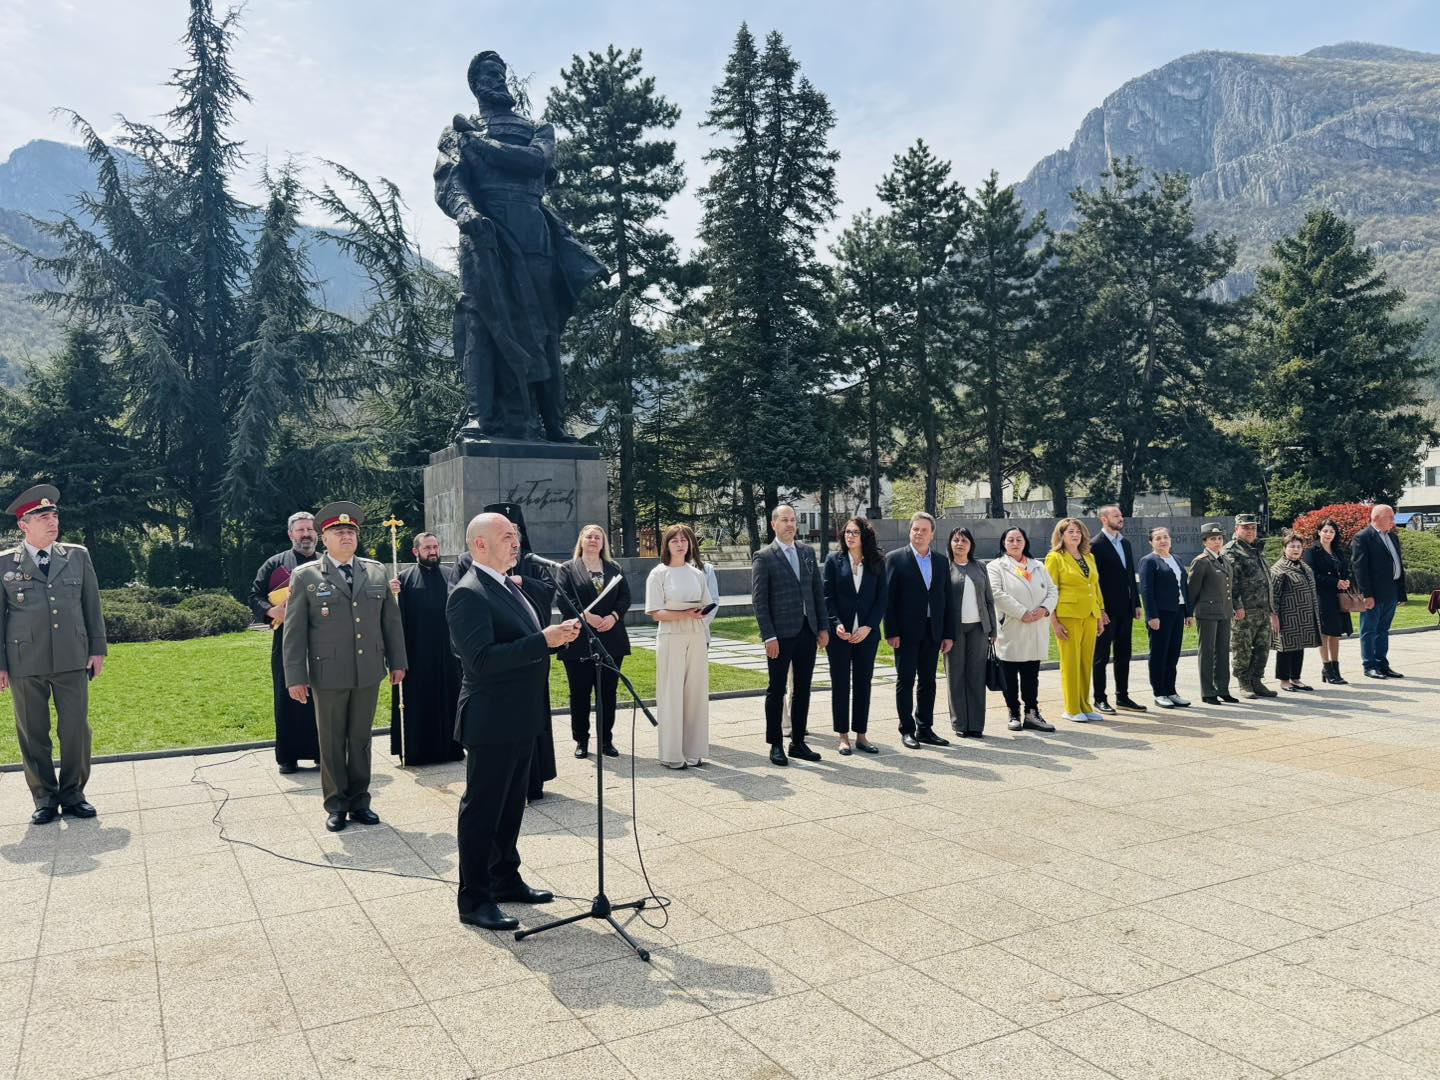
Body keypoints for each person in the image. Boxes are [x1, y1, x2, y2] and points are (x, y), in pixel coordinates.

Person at [447, 511, 579, 931]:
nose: (515, 542)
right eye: (506, 536)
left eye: (515, 535)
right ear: (480, 544)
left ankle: (504, 878)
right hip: (491, 718)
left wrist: (556, 640)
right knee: (483, 810)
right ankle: (474, 899)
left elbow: (521, 643)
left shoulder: (506, 585)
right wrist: (543, 640)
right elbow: (481, 661)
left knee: (510, 806)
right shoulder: (468, 593)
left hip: (522, 715)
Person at [283, 502, 408, 832]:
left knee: (361, 739)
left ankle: (360, 801)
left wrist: (398, 661)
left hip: (368, 670)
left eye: (351, 532)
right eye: (339, 532)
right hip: (328, 673)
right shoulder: (306, 576)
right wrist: (295, 677)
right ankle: (336, 803)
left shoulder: (375, 571)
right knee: (332, 741)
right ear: (324, 538)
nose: (346, 537)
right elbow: (294, 632)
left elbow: (390, 622)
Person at [0, 485, 107, 825]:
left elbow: (92, 606)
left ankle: (73, 794)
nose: (52, 521)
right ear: (24, 525)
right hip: (24, 661)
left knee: (76, 729)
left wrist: (97, 649)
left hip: (72, 657)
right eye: (43, 517)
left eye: (54, 515)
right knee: (33, 733)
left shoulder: (77, 556)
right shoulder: (4, 563)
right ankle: (45, 798)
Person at [752, 504, 829, 766]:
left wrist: (823, 627)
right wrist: (768, 636)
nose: (790, 524)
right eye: (784, 520)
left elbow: (817, 592)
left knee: (803, 689)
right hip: (780, 635)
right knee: (776, 690)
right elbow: (759, 601)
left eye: (793, 520)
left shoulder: (807, 552)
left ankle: (798, 742)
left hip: (807, 631)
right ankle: (775, 744)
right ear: (773, 524)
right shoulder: (764, 557)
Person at [248, 512, 322, 774]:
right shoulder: (275, 564)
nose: (306, 534)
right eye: (300, 530)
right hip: (286, 640)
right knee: (286, 695)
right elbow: (254, 596)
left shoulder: (327, 563)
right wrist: (272, 611)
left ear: (317, 533)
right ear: (291, 534)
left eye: (310, 529)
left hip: (323, 641)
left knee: (321, 696)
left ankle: (322, 753)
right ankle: (288, 757)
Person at [556, 523, 631, 760]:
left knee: (607, 692)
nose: (593, 540)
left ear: (603, 543)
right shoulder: (568, 569)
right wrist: (586, 616)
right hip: (578, 639)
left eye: (598, 537)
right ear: (581, 540)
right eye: (589, 536)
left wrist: (613, 616)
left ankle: (606, 740)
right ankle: (581, 740)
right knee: (579, 693)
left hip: (611, 638)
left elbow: (625, 597)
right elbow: (563, 599)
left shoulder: (614, 568)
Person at [388, 532, 464, 767]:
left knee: (450, 698)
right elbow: (394, 619)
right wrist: (389, 594)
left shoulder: (452, 575)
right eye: (427, 548)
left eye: (435, 547)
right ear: (416, 551)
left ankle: (451, 749)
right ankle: (417, 751)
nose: (433, 552)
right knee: (418, 702)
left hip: (449, 653)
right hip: (417, 653)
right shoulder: (404, 579)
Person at [885, 512, 954, 750]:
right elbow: (889, 599)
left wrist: (948, 633)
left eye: (924, 530)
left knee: (928, 681)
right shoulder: (895, 559)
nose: (919, 533)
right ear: (910, 531)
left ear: (932, 534)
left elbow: (947, 599)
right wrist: (891, 631)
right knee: (905, 680)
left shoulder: (941, 561)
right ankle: (907, 729)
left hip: (932, 630)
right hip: (905, 632)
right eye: (916, 529)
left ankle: (925, 728)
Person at [646, 525, 711, 769]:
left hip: (696, 634)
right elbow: (656, 612)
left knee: (695, 692)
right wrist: (684, 613)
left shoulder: (697, 574)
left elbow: (706, 604)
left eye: (684, 540)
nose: (680, 544)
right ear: (667, 545)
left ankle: (693, 750)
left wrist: (698, 613)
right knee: (671, 693)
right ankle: (671, 753)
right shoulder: (658, 574)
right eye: (675, 540)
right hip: (671, 635)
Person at [823, 517, 887, 755]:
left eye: (855, 532)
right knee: (840, 684)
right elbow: (827, 596)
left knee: (863, 683)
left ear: (864, 536)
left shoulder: (877, 561)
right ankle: (843, 736)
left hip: (866, 635)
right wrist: (836, 624)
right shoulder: (833, 560)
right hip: (840, 635)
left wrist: (868, 627)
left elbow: (882, 598)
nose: (850, 536)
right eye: (847, 532)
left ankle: (861, 735)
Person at [987, 527, 1057, 732]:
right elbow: (996, 593)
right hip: (1012, 626)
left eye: (1019, 539)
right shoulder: (995, 566)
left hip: (1036, 626)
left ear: (1025, 542)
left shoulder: (1038, 566)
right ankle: (1013, 712)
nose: (1015, 543)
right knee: (1009, 674)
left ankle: (1032, 713)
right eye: (1010, 540)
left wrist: (1044, 609)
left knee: (1031, 674)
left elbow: (1053, 590)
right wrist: (1022, 613)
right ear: (1003, 543)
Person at [1044, 518, 1108, 723]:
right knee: (1071, 662)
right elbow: (1049, 591)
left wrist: (1099, 614)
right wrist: (1054, 622)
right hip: (1067, 615)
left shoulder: (1089, 556)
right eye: (1070, 531)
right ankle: (1071, 708)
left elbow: (1095, 587)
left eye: (1078, 532)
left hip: (1089, 614)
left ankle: (1084, 705)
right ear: (1061, 535)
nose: (1075, 535)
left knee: (1085, 662)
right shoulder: (1055, 558)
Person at [1090, 505, 1146, 714]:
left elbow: (1130, 575)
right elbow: (1094, 581)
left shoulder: (1125, 543)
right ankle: (1099, 698)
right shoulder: (1095, 545)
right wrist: (1100, 609)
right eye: (1116, 515)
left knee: (1124, 654)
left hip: (1126, 609)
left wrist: (1136, 603)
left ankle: (1123, 697)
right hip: (1106, 611)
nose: (1121, 518)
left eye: (1121, 515)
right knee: (1101, 656)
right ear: (1104, 519)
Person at [944, 526, 996, 738]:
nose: (960, 544)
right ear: (950, 543)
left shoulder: (980, 566)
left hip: (979, 628)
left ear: (971, 545)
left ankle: (975, 724)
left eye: (964, 540)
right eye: (956, 540)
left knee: (976, 675)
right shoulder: (944, 567)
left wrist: (992, 629)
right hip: (954, 630)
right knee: (955, 676)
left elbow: (989, 599)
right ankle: (960, 723)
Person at [1137, 526, 1193, 708]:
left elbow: (1184, 587)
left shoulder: (1176, 559)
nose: (1163, 541)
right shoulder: (1149, 561)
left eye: (1165, 537)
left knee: (1173, 653)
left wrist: (1188, 613)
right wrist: (1151, 615)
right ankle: (1159, 692)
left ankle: (1171, 691)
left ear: (1170, 540)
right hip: (1160, 614)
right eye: (1158, 538)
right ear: (1151, 542)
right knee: (1159, 654)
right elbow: (1146, 590)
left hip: (1178, 611)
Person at [1224, 514, 1278, 699]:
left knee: (1262, 647)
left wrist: (1271, 608)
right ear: (1236, 529)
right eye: (1245, 528)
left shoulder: (1256, 549)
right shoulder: (1232, 551)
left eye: (1253, 528)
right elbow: (1231, 582)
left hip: (1262, 609)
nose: (1250, 531)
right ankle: (1244, 682)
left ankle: (1256, 680)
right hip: (1245, 611)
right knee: (1242, 648)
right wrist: (1237, 606)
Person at [1351, 504, 1408, 680]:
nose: (1393, 520)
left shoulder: (1392, 537)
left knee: (1383, 630)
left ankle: (1382, 664)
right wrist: (1367, 595)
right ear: (1376, 518)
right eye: (1389, 517)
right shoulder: (1363, 538)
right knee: (1369, 630)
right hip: (1373, 595)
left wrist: (1400, 593)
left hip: (1391, 592)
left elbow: (1397, 564)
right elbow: (1360, 569)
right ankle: (1369, 666)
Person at [1187, 522, 1241, 705]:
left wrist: (1234, 607)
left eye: (1219, 538)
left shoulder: (1225, 559)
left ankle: (1223, 689)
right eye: (1212, 539)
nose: (1217, 542)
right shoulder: (1201, 561)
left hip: (1224, 611)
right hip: (1207, 612)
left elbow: (1230, 587)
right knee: (1207, 652)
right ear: (1204, 542)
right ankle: (1208, 692)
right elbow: (1192, 590)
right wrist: (1188, 613)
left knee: (1223, 651)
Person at [1271, 529, 1323, 692]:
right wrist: (1273, 616)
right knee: (1285, 648)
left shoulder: (1304, 567)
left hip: (1303, 615)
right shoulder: (1278, 569)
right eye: (1292, 546)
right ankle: (1284, 680)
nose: (1296, 549)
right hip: (1287, 615)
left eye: (1299, 547)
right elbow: (1273, 595)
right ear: (1284, 548)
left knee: (1299, 646)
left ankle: (1295, 678)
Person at [1303, 519, 1353, 685]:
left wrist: (1345, 580)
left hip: (1338, 596)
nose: (1328, 534)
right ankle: (1327, 668)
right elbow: (1312, 575)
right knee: (1325, 633)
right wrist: (1334, 582)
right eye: (1325, 531)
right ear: (1319, 532)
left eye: (1331, 531)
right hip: (1322, 596)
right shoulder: (1311, 551)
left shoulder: (1338, 551)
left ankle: (1336, 668)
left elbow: (1345, 570)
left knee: (1336, 633)